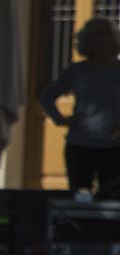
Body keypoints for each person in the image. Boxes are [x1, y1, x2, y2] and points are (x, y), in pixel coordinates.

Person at [39, 17, 120, 196]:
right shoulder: (78, 71)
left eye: (105, 35)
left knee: (112, 197)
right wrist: (60, 119)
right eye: (95, 36)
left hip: (113, 147)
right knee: (79, 196)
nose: (100, 40)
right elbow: (47, 97)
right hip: (80, 145)